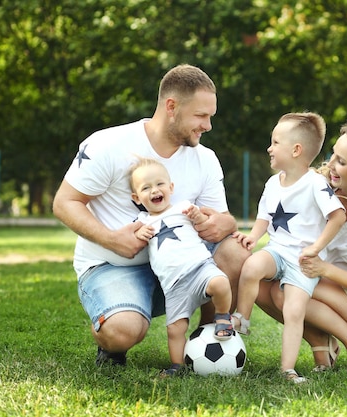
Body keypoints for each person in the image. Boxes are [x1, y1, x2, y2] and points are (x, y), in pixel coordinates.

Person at [52, 64, 249, 367]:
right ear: (171, 107)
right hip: (114, 266)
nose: (208, 125)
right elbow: (65, 202)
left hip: (181, 267)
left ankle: (206, 342)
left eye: (211, 116)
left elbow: (221, 221)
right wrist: (112, 239)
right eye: (201, 116)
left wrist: (227, 222)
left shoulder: (206, 159)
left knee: (235, 251)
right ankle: (112, 331)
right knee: (122, 332)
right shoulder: (107, 144)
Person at [255, 118, 347, 372]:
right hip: (323, 283)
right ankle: (320, 342)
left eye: (342, 162)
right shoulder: (319, 188)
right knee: (264, 284)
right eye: (333, 155)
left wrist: (324, 269)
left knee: (289, 288)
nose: (330, 165)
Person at [231, 112, 346, 383]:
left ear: (296, 150)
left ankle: (288, 369)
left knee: (293, 312)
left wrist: (316, 248)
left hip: (302, 262)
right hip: (278, 250)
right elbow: (264, 216)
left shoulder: (316, 184)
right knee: (251, 266)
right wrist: (253, 237)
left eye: (275, 142)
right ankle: (242, 318)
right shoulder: (273, 183)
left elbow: (337, 216)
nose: (269, 148)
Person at [129, 157, 234, 377]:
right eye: (146, 188)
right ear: (137, 198)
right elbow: (132, 239)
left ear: (171, 187)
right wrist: (139, 234)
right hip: (174, 286)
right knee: (175, 329)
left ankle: (222, 316)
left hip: (200, 268)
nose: (154, 190)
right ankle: (177, 365)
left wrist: (198, 218)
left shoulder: (184, 208)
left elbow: (204, 224)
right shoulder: (142, 220)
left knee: (221, 283)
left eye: (159, 184)